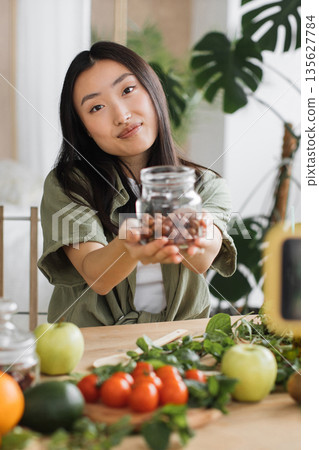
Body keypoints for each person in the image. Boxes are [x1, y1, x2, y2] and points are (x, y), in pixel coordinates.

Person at [38, 41, 237, 327]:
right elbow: (97, 276)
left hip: (180, 345)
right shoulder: (68, 185)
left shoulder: (206, 185)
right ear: (84, 129)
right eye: (96, 107)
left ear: (152, 90)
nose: (122, 116)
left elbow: (202, 259)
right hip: (92, 346)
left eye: (128, 90)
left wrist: (192, 229)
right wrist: (128, 245)